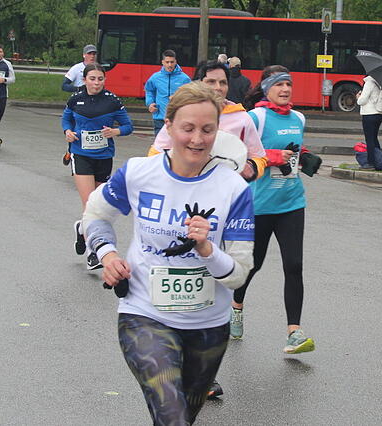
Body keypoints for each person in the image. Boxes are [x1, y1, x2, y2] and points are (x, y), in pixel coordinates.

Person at [82, 82, 254, 425]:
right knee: (172, 416)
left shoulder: (234, 189)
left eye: (207, 130)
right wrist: (108, 254)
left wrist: (207, 249)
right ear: (169, 126)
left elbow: (239, 274)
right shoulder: (138, 173)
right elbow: (96, 214)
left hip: (208, 327)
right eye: (188, 128)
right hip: (144, 315)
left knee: (180, 418)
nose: (197, 139)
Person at [232, 65, 323, 355]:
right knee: (253, 264)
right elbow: (239, 156)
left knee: (294, 266)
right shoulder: (255, 118)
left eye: (289, 84)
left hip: (291, 202)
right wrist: (273, 157)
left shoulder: (298, 118)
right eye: (279, 84)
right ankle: (235, 306)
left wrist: (304, 156)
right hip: (258, 205)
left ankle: (294, 332)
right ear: (266, 88)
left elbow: (294, 148)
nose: (285, 89)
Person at [62, 64, 133, 270]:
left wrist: (115, 132)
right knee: (90, 204)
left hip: (104, 157)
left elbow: (128, 126)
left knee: (100, 206)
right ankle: (93, 253)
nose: (96, 83)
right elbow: (66, 119)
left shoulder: (112, 101)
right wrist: (68, 131)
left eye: (100, 79)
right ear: (84, 80)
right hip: (81, 155)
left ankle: (81, 228)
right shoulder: (75, 99)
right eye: (92, 79)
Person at [149, 60, 266, 183]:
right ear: (198, 84)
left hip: (224, 190)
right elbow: (156, 154)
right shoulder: (183, 113)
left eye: (223, 83)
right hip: (184, 187)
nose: (218, 88)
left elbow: (259, 158)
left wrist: (250, 169)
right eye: (211, 82)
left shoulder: (242, 118)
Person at [145, 50, 191, 135]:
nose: (169, 65)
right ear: (162, 62)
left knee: (176, 143)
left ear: (175, 62)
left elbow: (191, 97)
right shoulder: (155, 77)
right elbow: (149, 91)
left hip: (178, 118)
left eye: (172, 62)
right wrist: (150, 103)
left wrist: (178, 97)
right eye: (167, 62)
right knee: (160, 143)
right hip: (160, 117)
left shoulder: (185, 79)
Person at [356, 74, 382, 170]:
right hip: (378, 114)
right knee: (374, 139)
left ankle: (371, 163)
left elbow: (362, 101)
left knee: (370, 140)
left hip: (369, 114)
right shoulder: (380, 83)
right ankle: (380, 161)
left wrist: (358, 97)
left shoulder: (369, 83)